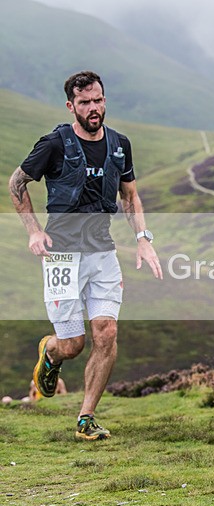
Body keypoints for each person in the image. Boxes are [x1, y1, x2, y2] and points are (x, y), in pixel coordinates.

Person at [8, 71, 162, 440]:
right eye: (85, 103)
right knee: (73, 345)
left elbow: (130, 196)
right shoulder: (54, 144)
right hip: (61, 254)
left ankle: (85, 418)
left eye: (98, 100)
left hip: (102, 251)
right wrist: (33, 231)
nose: (93, 109)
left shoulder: (119, 144)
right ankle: (51, 352)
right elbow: (16, 183)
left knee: (106, 333)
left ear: (105, 100)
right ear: (71, 106)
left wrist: (142, 237)